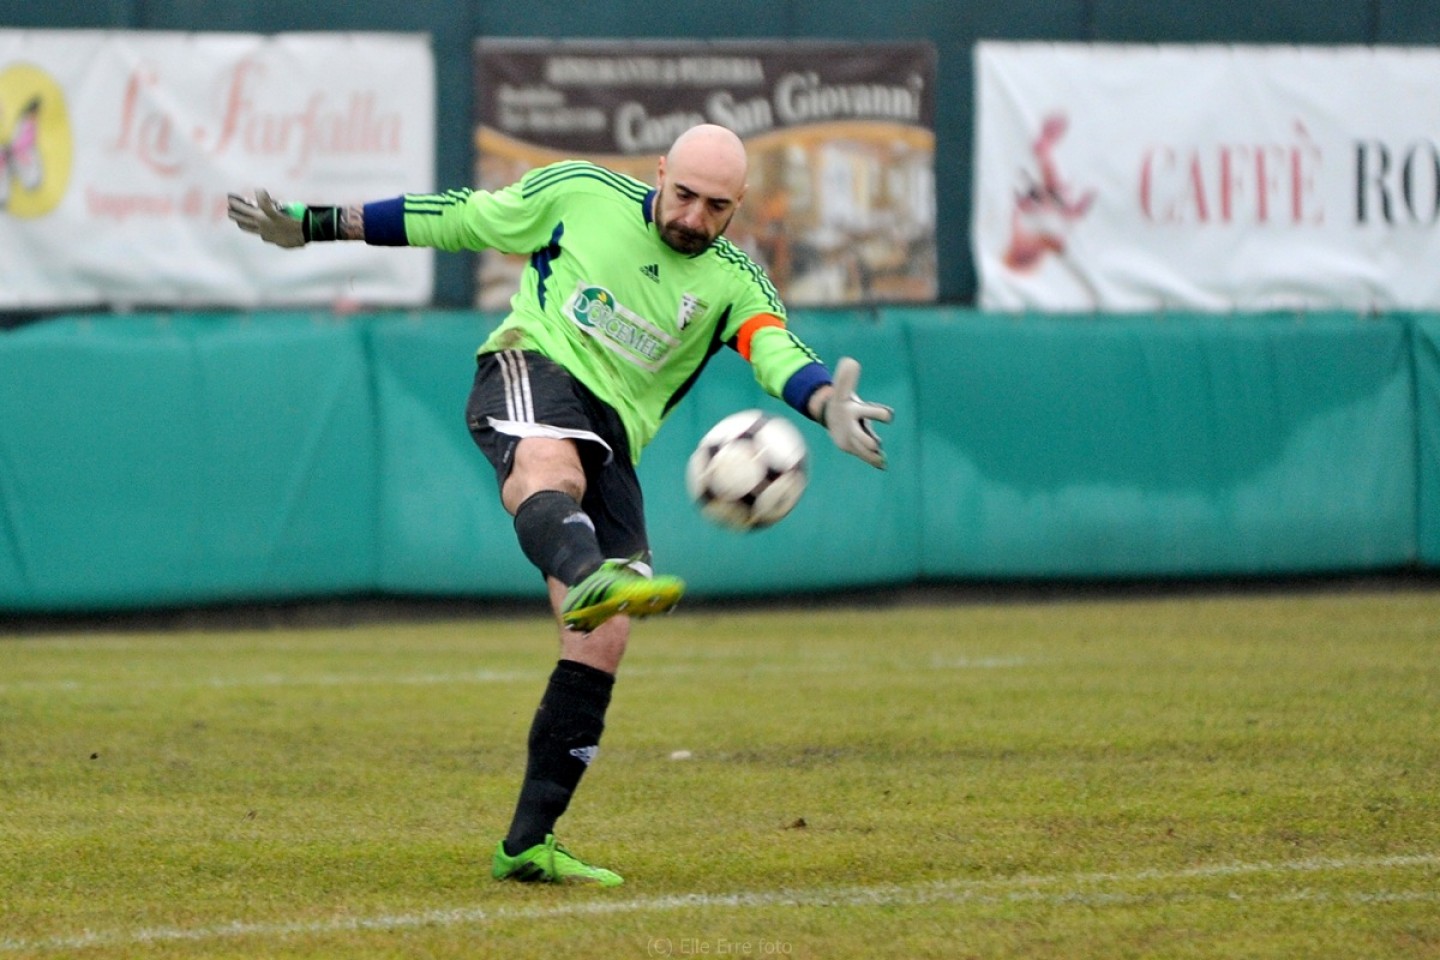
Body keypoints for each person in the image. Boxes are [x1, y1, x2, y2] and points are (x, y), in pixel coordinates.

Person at [227, 123, 893, 887]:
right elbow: (459, 216)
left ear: (738, 205)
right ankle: (586, 569)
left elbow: (772, 347)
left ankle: (527, 845)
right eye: (684, 195)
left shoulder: (736, 280)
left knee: (603, 638)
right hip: (533, 363)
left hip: (616, 433)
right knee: (549, 470)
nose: (694, 218)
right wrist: (315, 224)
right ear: (659, 173)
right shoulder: (581, 192)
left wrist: (820, 403)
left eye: (716, 206)